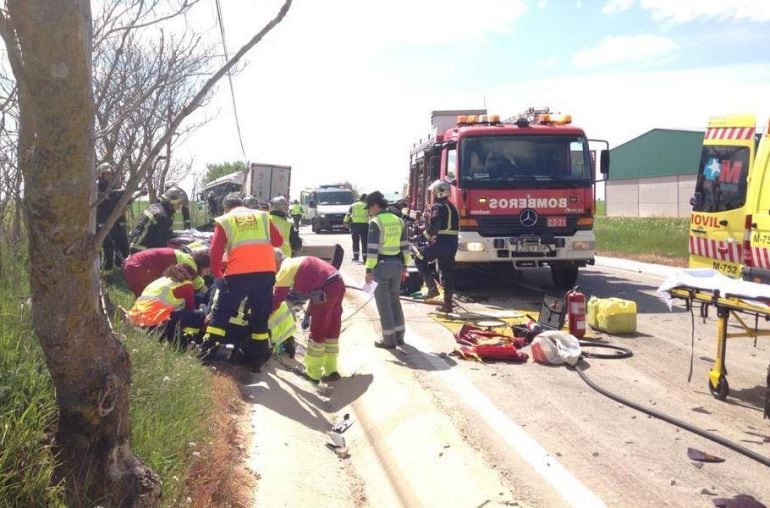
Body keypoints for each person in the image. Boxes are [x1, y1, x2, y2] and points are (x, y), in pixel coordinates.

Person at [199, 193, 284, 371]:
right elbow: (278, 241)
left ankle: (206, 356)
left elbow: (214, 250)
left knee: (221, 314)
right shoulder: (262, 216)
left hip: (238, 273)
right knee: (260, 318)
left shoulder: (225, 220)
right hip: (265, 273)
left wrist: (217, 274)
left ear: (226, 207)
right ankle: (256, 362)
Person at [273, 250, 346, 382]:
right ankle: (331, 370)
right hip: (338, 283)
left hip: (325, 289)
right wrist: (308, 313)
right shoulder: (297, 261)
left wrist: (263, 313)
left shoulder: (285, 269)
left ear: (275, 262)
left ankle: (312, 373)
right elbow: (316, 285)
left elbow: (277, 298)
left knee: (318, 330)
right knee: (332, 328)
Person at [365, 191, 409, 349]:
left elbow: (372, 250)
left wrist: (369, 270)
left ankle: (388, 339)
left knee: (384, 304)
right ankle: (400, 335)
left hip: (381, 267)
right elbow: (405, 247)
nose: (368, 212)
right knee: (394, 300)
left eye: (369, 208)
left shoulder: (376, 223)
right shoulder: (399, 221)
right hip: (397, 265)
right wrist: (405, 266)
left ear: (375, 206)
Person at [128, 263, 205, 346]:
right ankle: (190, 342)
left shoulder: (160, 280)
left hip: (135, 319)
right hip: (154, 323)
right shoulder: (186, 284)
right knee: (198, 315)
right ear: (189, 275)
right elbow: (191, 309)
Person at [414, 180, 459, 313]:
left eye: (433, 192)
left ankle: (432, 288)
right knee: (447, 271)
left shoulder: (437, 207)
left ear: (438, 193)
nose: (432, 195)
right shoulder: (452, 207)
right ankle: (448, 305)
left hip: (442, 242)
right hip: (453, 243)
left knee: (419, 257)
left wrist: (423, 237)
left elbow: (435, 226)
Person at [122, 247, 210, 297]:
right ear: (203, 264)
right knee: (147, 300)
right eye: (208, 270)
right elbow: (203, 289)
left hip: (133, 264)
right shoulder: (191, 267)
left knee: (145, 300)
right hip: (138, 268)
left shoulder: (186, 257)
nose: (207, 274)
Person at [129, 186, 189, 253]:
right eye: (179, 204)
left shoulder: (155, 207)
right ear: (172, 201)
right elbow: (161, 242)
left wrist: (178, 235)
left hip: (135, 247)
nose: (179, 207)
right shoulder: (163, 216)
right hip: (144, 251)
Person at [96, 163, 130, 272]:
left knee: (123, 244)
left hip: (118, 222)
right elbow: (107, 196)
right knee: (109, 247)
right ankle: (107, 271)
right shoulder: (97, 187)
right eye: (106, 174)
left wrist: (130, 197)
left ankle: (122, 269)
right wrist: (120, 192)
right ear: (101, 175)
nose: (109, 176)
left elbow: (122, 200)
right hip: (103, 222)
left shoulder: (116, 186)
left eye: (111, 174)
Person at [343, 193, 368, 262]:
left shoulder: (353, 205)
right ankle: (365, 258)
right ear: (365, 199)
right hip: (365, 225)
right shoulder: (367, 205)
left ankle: (356, 257)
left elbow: (348, 214)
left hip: (355, 225)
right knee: (364, 242)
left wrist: (345, 222)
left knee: (355, 241)